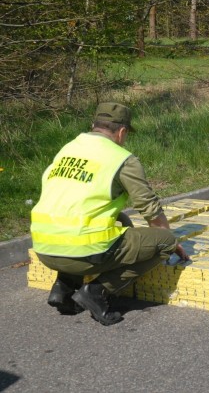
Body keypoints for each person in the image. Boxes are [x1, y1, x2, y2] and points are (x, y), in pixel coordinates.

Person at [30, 102, 189, 326]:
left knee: (120, 220)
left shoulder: (68, 148)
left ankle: (63, 288)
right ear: (122, 131)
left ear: (94, 125)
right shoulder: (122, 159)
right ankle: (96, 292)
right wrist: (169, 240)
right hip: (82, 252)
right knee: (164, 242)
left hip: (44, 248)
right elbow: (148, 206)